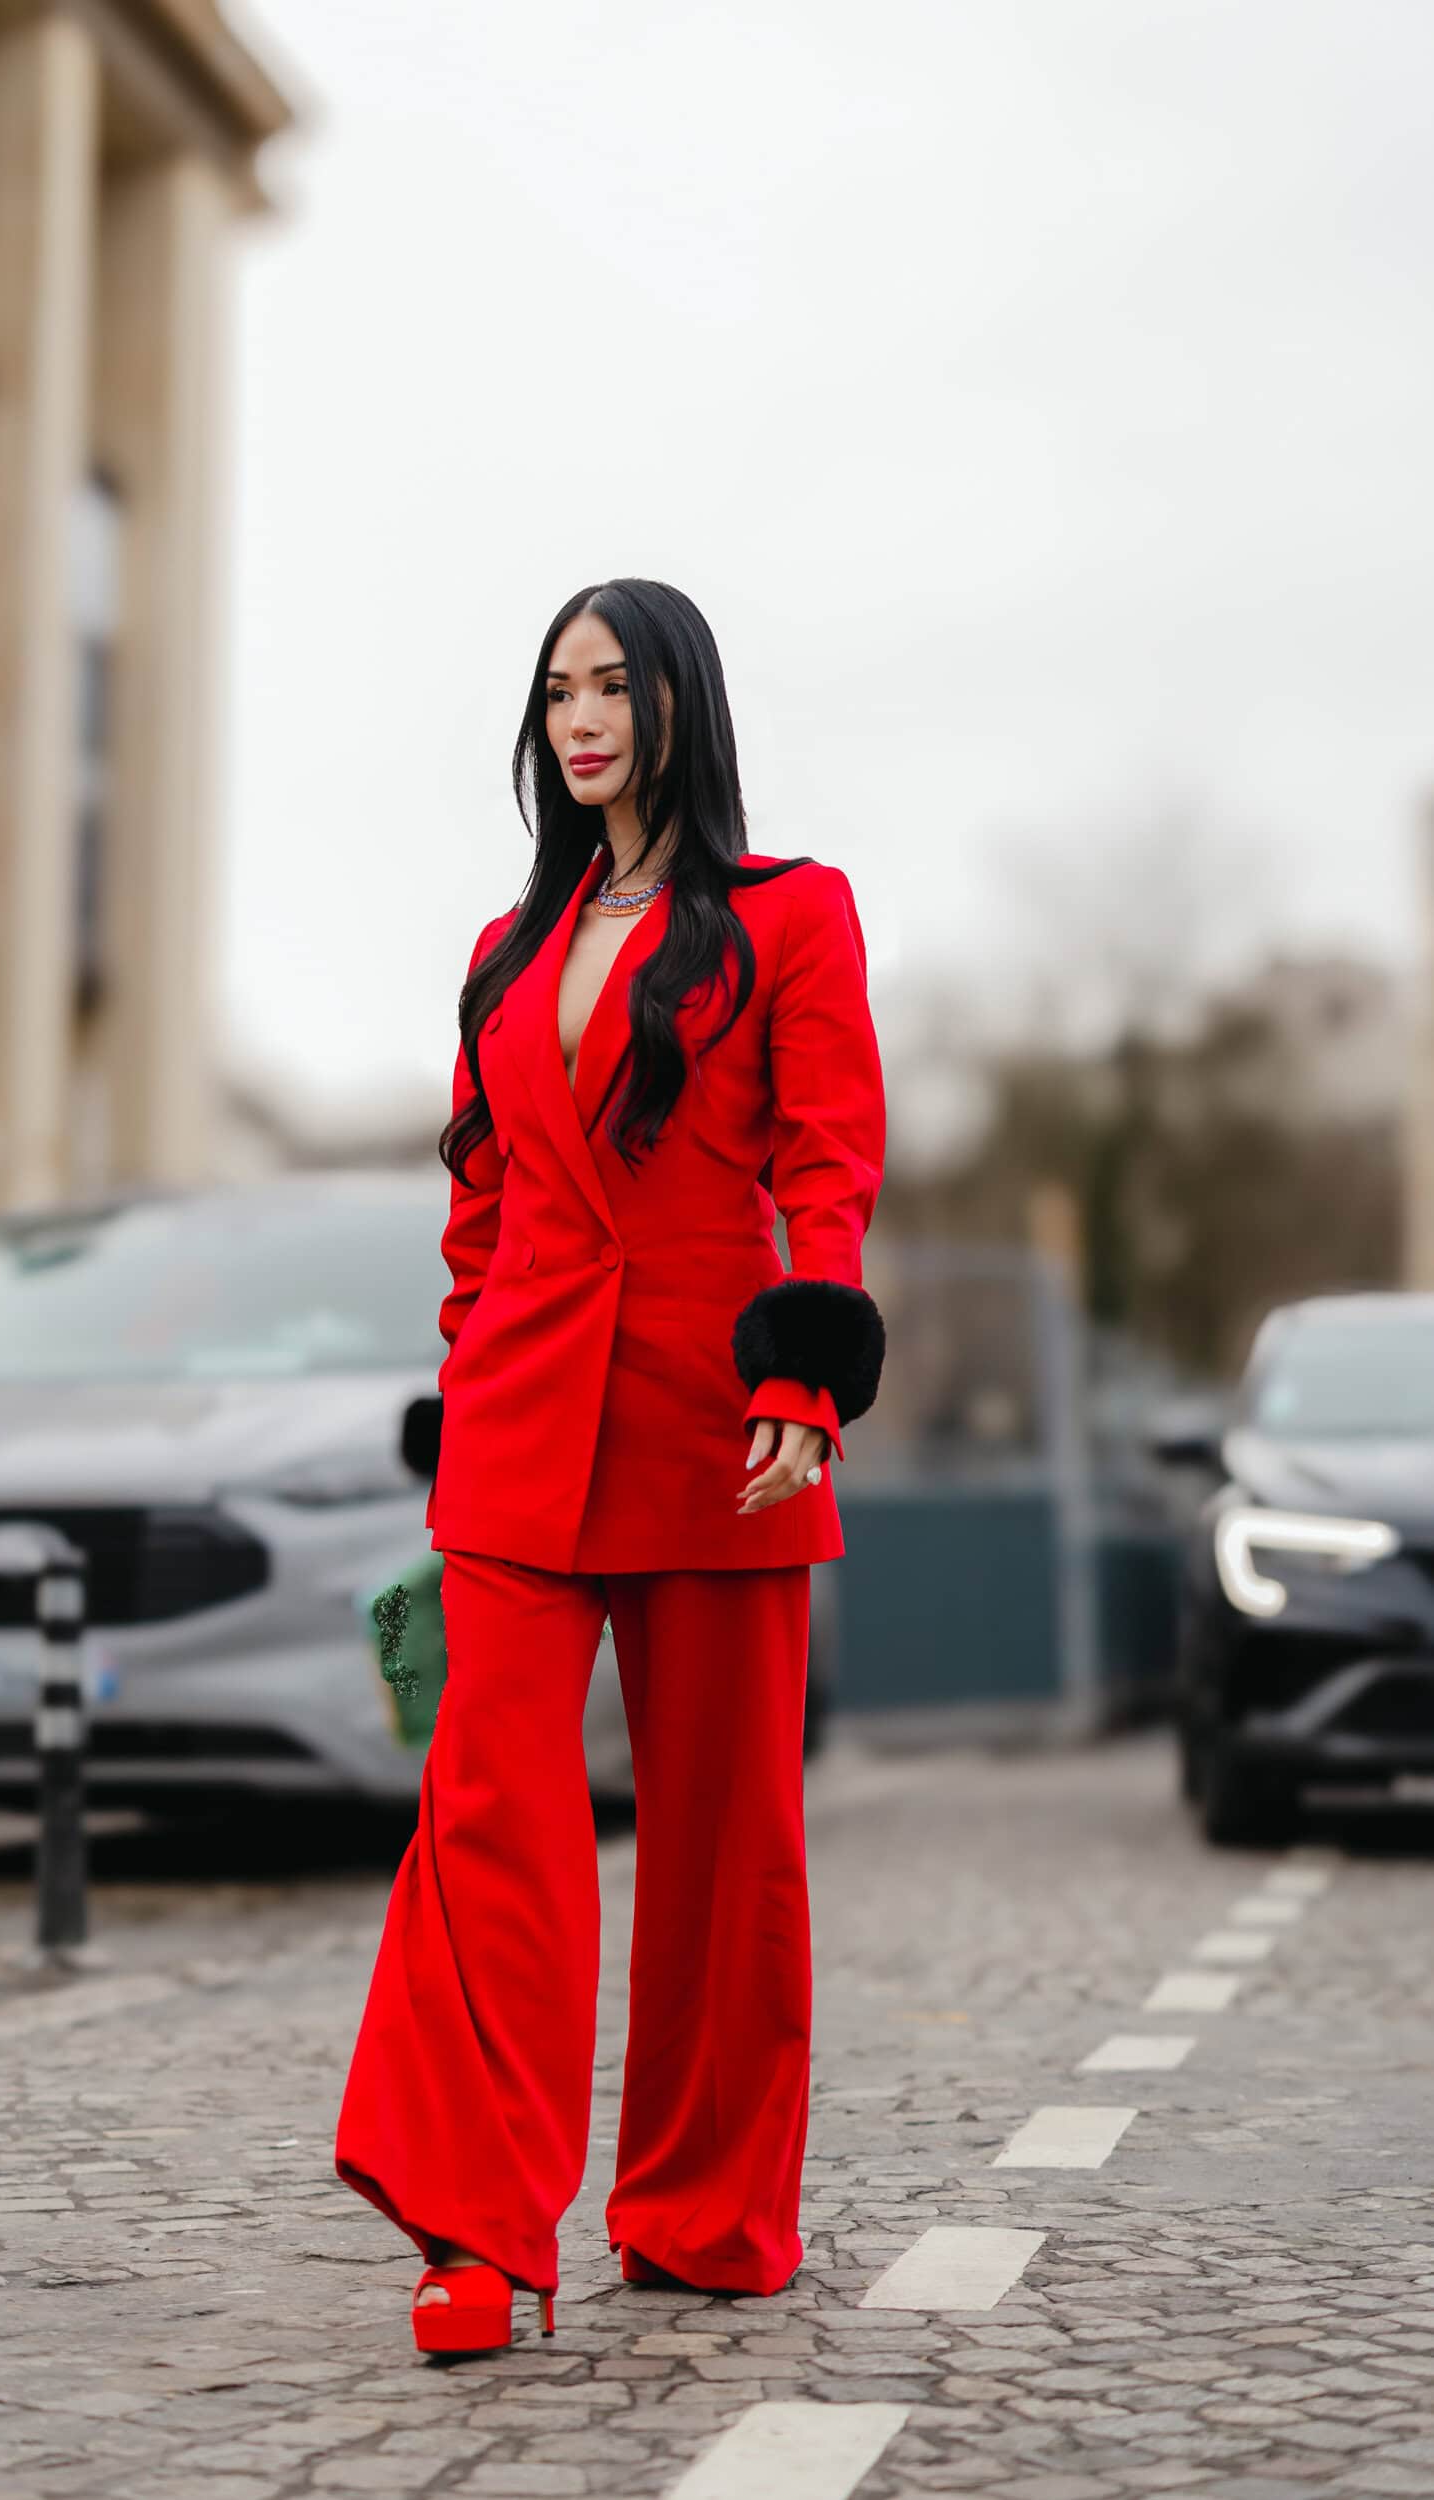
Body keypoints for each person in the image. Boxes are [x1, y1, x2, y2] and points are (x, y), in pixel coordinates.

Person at [333, 576, 887, 2356]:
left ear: (678, 706)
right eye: (559, 690)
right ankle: (480, 2232)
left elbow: (825, 1156)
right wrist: (466, 1367)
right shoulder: (506, 952)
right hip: (516, 1431)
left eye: (615, 687)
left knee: (728, 1843)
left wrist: (806, 1367)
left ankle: (704, 2213)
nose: (583, 720)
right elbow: (481, 1204)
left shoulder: (795, 917)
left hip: (723, 1422)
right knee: (484, 1816)